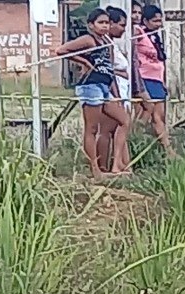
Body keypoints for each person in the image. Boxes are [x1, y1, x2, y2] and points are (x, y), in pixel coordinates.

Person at [55, 8, 130, 179]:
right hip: (90, 86)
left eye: (107, 23)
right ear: (91, 25)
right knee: (92, 129)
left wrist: (116, 95)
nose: (104, 26)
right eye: (100, 23)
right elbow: (61, 51)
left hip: (105, 86)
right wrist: (84, 62)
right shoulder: (88, 40)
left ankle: (117, 165)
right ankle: (95, 169)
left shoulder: (107, 42)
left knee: (124, 120)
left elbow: (110, 70)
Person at [98, 6, 136, 174]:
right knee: (108, 129)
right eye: (121, 25)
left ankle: (123, 165)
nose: (123, 29)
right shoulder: (105, 44)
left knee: (119, 128)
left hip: (121, 91)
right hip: (113, 92)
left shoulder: (111, 43)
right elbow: (106, 69)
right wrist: (118, 95)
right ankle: (106, 167)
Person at [135, 4, 174, 157]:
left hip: (157, 80)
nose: (159, 24)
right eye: (155, 21)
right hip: (145, 78)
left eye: (160, 21)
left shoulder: (156, 36)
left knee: (160, 116)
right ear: (145, 20)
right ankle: (166, 149)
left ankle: (159, 147)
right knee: (148, 114)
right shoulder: (139, 33)